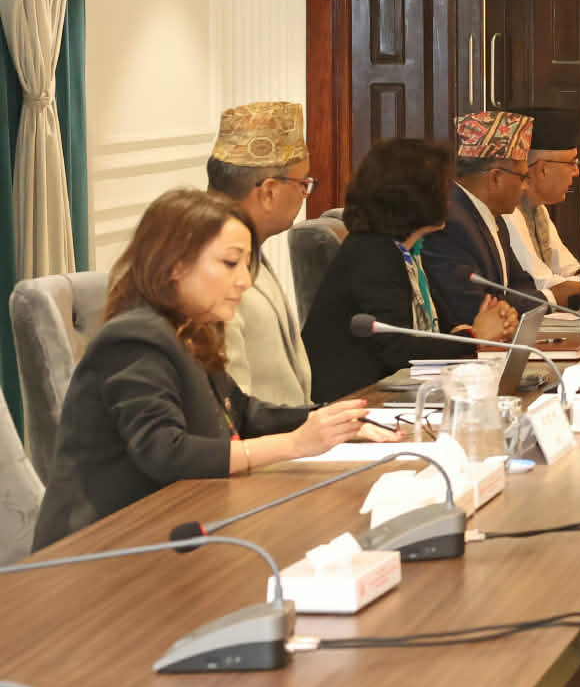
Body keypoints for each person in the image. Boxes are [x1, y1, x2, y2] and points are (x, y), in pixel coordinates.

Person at [32, 190, 377, 548]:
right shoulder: (135, 337)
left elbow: (240, 412)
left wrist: (328, 421)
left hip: (169, 524)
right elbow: (166, 452)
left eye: (247, 265)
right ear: (175, 265)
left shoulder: (190, 327)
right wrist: (294, 444)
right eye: (230, 263)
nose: (244, 280)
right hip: (98, 547)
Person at [302, 137, 473, 400]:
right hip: (354, 401)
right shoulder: (372, 253)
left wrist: (468, 334)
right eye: (443, 189)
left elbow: (444, 329)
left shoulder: (409, 253)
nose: (449, 202)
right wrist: (471, 341)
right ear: (415, 197)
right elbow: (399, 349)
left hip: (392, 391)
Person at [203, 100, 318, 406]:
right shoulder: (210, 263)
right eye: (303, 183)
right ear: (269, 192)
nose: (305, 194)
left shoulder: (247, 246)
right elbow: (229, 405)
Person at [420, 111, 535, 342]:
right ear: (495, 178)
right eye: (523, 177)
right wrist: (508, 313)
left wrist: (507, 311)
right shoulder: (450, 221)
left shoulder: (494, 217)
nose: (526, 188)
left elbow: (522, 284)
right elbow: (472, 308)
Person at [503, 105, 580, 306]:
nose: (576, 172)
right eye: (572, 163)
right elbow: (542, 283)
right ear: (543, 169)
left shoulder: (539, 210)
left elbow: (568, 269)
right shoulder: (509, 212)